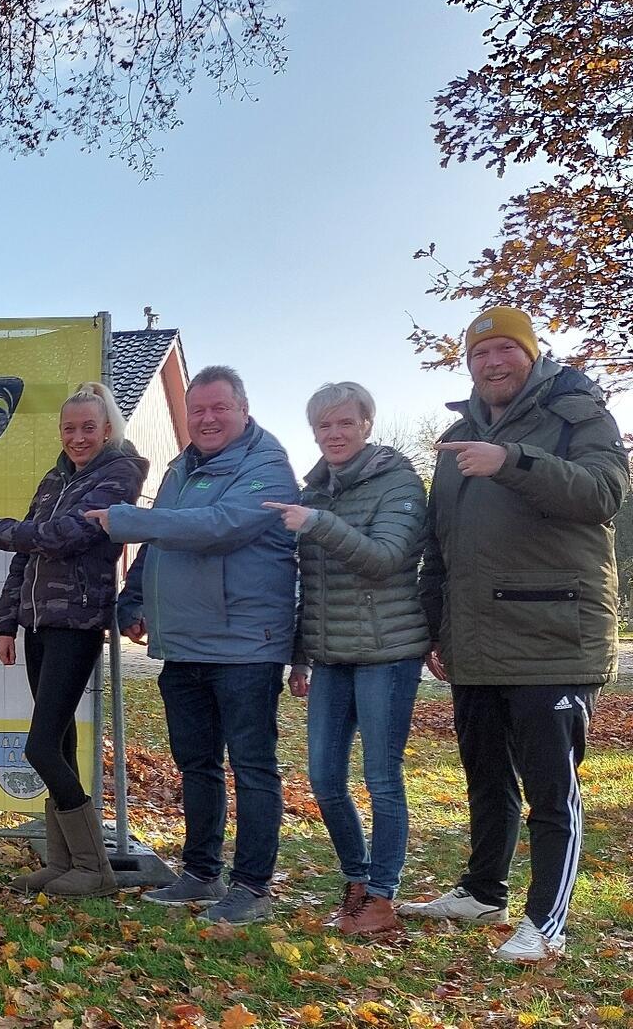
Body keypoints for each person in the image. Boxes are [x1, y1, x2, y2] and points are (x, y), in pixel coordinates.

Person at [401, 307, 627, 963]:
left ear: (531, 354)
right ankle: (482, 891)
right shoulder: (455, 436)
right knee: (486, 775)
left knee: (552, 790)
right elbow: (441, 546)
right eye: (480, 354)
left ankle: (545, 924)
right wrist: (433, 627)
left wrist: (513, 461)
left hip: (554, 633)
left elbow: (603, 495)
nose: (492, 362)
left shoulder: (578, 414)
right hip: (476, 642)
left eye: (505, 349)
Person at [87, 365, 298, 925]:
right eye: (197, 409)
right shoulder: (183, 467)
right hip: (184, 644)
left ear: (243, 410)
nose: (206, 419)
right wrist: (131, 600)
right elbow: (161, 536)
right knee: (196, 764)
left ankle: (252, 887)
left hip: (246, 644)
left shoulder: (268, 468)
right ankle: (201, 874)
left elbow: (220, 526)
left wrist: (124, 520)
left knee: (253, 766)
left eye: (218, 408)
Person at [0, 382, 148, 897]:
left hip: (77, 622)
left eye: (89, 427)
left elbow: (63, 536)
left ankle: (94, 868)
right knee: (59, 743)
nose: (78, 437)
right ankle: (65, 861)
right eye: (69, 428)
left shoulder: (119, 474)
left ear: (108, 429)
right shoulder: (54, 477)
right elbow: (29, 553)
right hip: (38, 623)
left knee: (41, 746)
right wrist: (5, 623)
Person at [262, 382, 428, 937]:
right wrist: (300, 658)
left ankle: (383, 898)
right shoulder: (315, 493)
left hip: (387, 653)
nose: (334, 435)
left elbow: (383, 559)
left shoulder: (399, 483)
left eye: (344, 424)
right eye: (323, 427)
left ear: (367, 425)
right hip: (331, 657)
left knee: (381, 778)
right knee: (324, 778)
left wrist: (317, 525)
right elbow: (313, 585)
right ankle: (356, 883)